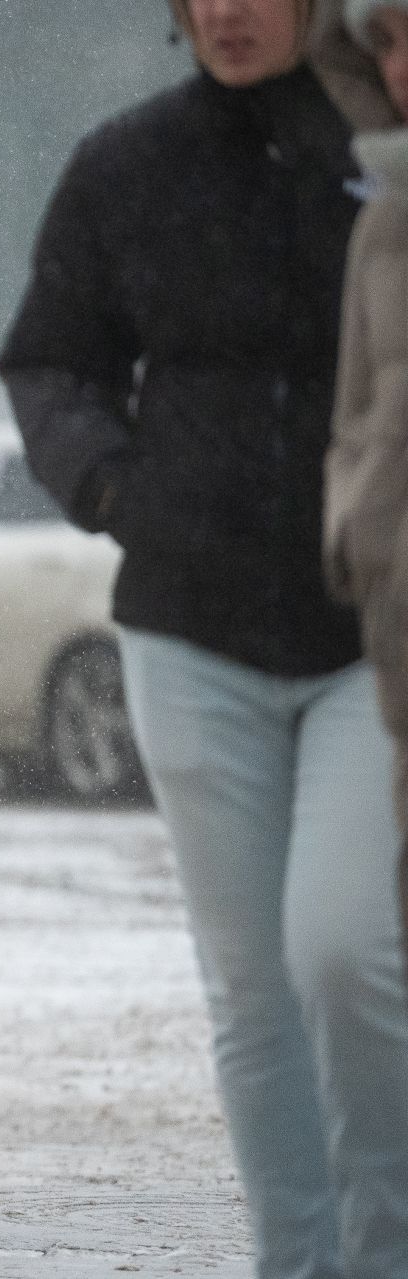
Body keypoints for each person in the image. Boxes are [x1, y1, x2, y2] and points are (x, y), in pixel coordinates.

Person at [0, 2, 408, 1273]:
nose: (229, 12)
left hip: (367, 635)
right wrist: (121, 491)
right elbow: (49, 363)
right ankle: (299, 1258)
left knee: (345, 951)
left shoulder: (384, 160)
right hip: (188, 627)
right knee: (251, 992)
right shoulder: (128, 163)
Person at [314, 0, 408, 967]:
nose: (401, 68)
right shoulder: (387, 215)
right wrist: (361, 533)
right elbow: (358, 415)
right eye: (384, 43)